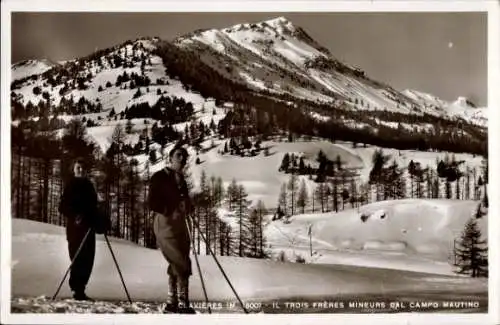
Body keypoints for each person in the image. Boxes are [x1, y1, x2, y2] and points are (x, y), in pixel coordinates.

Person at [148, 144, 196, 314]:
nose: (182, 159)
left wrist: (188, 207)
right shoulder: (160, 177)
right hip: (165, 225)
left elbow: (185, 201)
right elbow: (152, 202)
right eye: (178, 155)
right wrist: (171, 208)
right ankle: (182, 303)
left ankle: (172, 302)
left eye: (184, 156)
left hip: (180, 226)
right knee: (180, 262)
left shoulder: (181, 180)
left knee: (181, 259)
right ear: (170, 158)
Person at [58, 158, 100, 301]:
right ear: (74, 170)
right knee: (77, 258)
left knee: (88, 259)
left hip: (89, 228)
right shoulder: (71, 185)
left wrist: (99, 219)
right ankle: (76, 289)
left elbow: (94, 206)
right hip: (75, 229)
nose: (81, 170)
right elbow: (62, 207)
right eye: (78, 168)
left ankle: (81, 289)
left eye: (83, 168)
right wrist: (75, 215)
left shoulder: (89, 185)